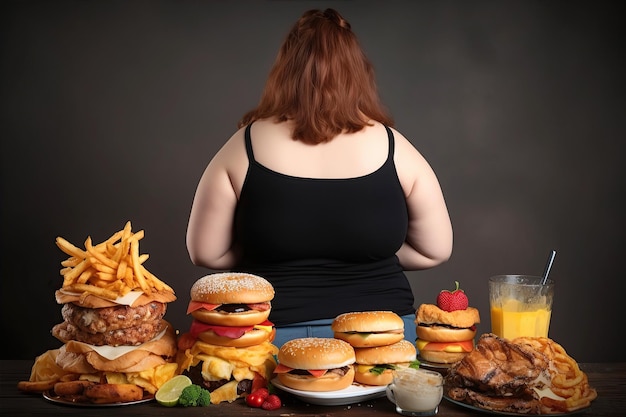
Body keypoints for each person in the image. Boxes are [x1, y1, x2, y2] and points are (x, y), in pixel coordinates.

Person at [186, 8, 453, 348]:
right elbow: (436, 250)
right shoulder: (395, 147)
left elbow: (205, 252)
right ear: (358, 73)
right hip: (384, 343)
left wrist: (271, 251)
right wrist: (367, 251)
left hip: (269, 340)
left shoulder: (244, 146)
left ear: (284, 72)